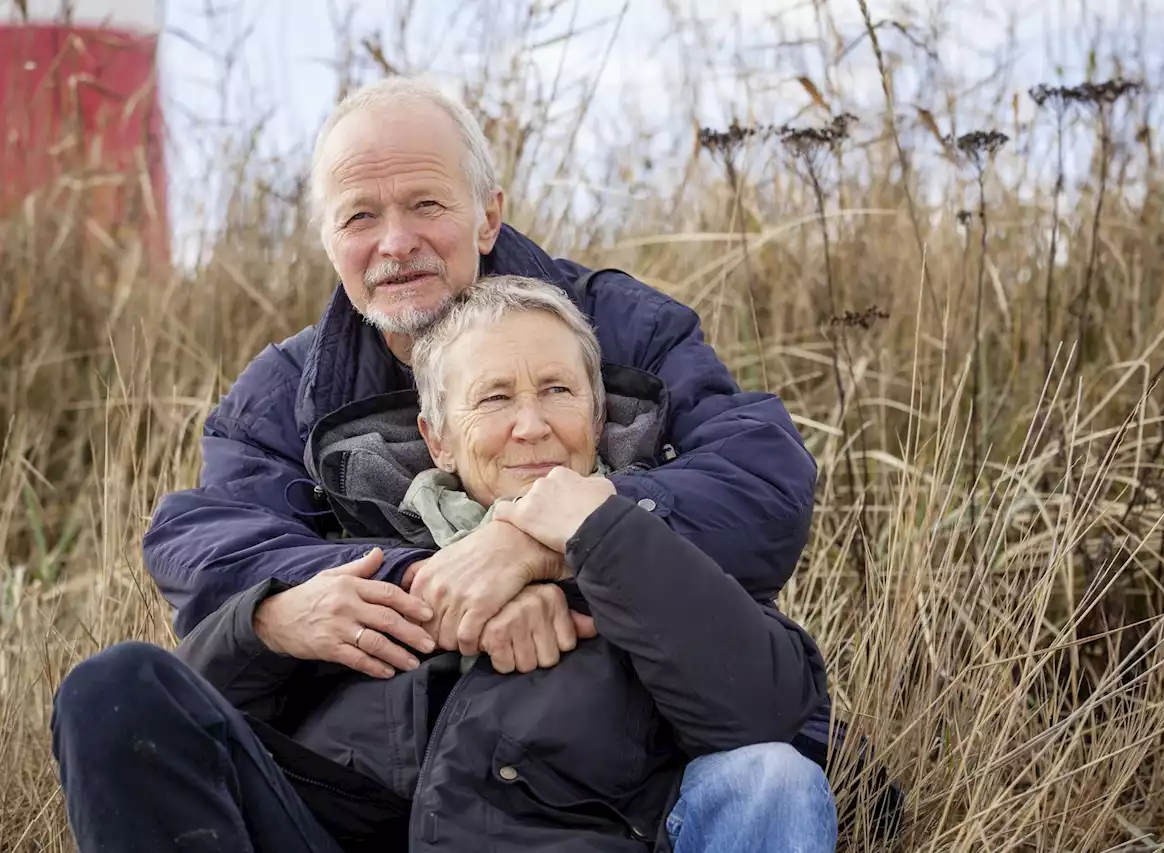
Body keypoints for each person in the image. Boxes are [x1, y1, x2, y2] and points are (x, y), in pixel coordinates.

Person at [51, 275, 838, 852]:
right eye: (494, 399)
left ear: (597, 419)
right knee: (114, 687)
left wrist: (584, 535)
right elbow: (187, 746)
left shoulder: (646, 550)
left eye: (557, 390)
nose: (530, 425)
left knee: (776, 776)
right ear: (437, 439)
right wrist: (266, 625)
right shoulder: (357, 553)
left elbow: (770, 711)